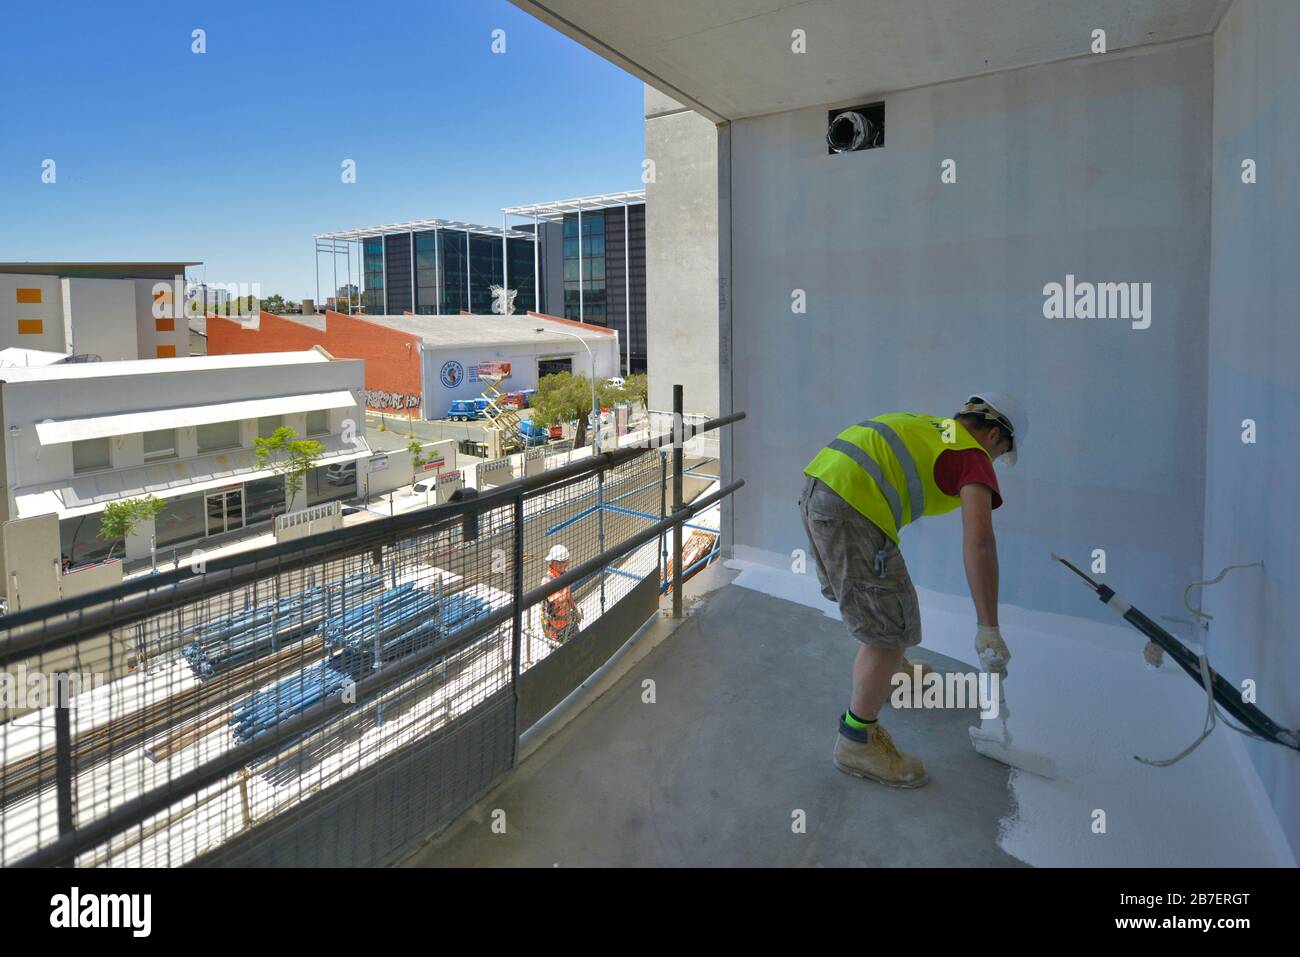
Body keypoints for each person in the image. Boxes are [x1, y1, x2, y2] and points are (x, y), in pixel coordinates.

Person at [799, 392, 1025, 788]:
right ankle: (857, 740)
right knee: (890, 632)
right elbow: (980, 543)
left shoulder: (931, 428)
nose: (995, 463)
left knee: (881, 607)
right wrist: (989, 627)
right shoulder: (973, 456)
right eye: (1001, 452)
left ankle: (893, 673)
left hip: (819, 489)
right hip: (852, 506)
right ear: (992, 436)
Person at [541, 544, 582, 645]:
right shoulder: (547, 581)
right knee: (561, 651)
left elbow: (569, 596)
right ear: (555, 563)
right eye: (564, 562)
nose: (567, 564)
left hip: (570, 621)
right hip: (557, 627)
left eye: (567, 561)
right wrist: (565, 581)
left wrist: (576, 610)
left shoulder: (563, 574)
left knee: (578, 644)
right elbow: (560, 600)